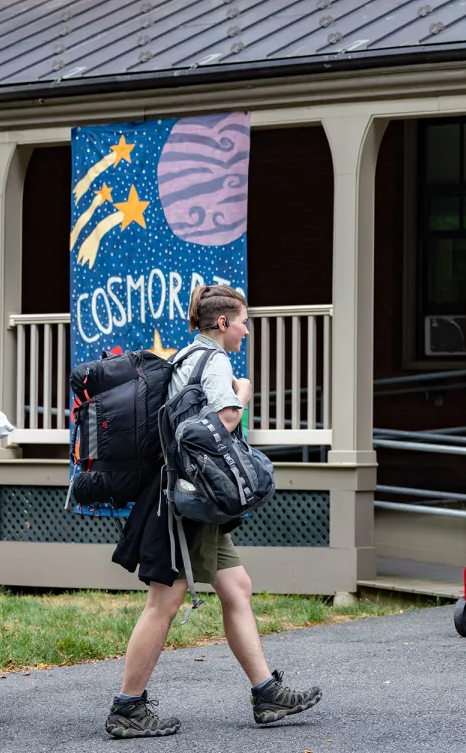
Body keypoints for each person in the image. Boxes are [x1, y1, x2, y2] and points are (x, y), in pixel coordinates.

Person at [105, 284, 321, 739]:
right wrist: (242, 394)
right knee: (164, 601)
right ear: (222, 323)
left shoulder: (186, 357)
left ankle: (267, 694)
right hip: (189, 503)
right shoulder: (216, 361)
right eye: (242, 321)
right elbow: (222, 420)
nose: (246, 329)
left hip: (183, 495)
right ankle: (128, 707)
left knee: (236, 586)